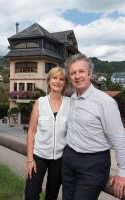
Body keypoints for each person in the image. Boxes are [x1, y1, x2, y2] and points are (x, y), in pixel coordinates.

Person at [62, 53, 125, 200]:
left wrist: (122, 173)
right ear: (70, 77)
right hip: (69, 160)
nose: (77, 76)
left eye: (81, 71)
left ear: (90, 74)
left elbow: (120, 139)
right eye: (73, 73)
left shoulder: (105, 102)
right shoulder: (73, 98)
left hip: (93, 165)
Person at [24, 67, 70, 200]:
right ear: (49, 81)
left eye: (61, 79)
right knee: (31, 194)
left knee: (52, 195)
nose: (58, 81)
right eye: (55, 78)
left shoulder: (70, 104)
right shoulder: (40, 103)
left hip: (60, 159)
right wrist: (29, 159)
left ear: (65, 83)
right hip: (39, 156)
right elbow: (31, 132)